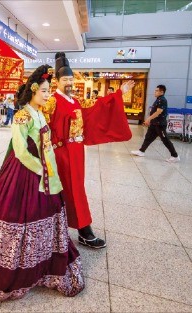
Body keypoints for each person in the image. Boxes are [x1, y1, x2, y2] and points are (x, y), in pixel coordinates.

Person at [0, 65, 84, 301]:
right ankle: (17, 268)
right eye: (44, 90)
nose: (48, 94)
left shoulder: (41, 113)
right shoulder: (23, 115)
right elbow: (20, 151)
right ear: (32, 91)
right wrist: (42, 171)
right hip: (27, 173)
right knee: (20, 215)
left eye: (49, 90)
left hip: (45, 172)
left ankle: (44, 264)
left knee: (47, 215)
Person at [47, 52, 133, 249]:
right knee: (66, 191)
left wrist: (119, 93)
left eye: (70, 79)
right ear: (57, 82)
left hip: (76, 152)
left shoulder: (75, 100)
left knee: (75, 189)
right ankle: (83, 230)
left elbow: (98, 106)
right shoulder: (51, 101)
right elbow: (41, 126)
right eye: (65, 79)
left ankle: (71, 229)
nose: (68, 82)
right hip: (60, 153)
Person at [131, 84, 180, 163]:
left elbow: (159, 112)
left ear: (162, 92)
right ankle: (141, 151)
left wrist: (148, 119)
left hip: (160, 124)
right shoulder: (158, 99)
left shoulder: (162, 100)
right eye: (155, 90)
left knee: (165, 140)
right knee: (148, 137)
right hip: (154, 124)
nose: (155, 92)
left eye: (157, 91)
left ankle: (175, 156)